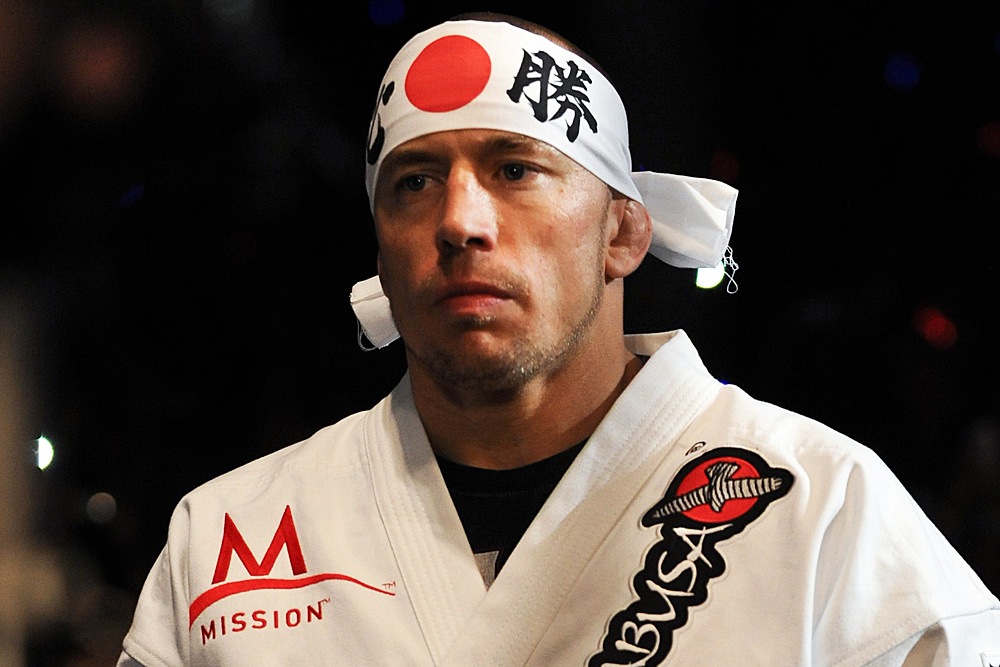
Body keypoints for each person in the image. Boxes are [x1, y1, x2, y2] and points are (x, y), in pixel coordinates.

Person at [118, 13, 1000, 666]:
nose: (460, 220)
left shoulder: (824, 515)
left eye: (514, 170)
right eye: (415, 181)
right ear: (381, 254)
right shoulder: (230, 536)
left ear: (623, 232)